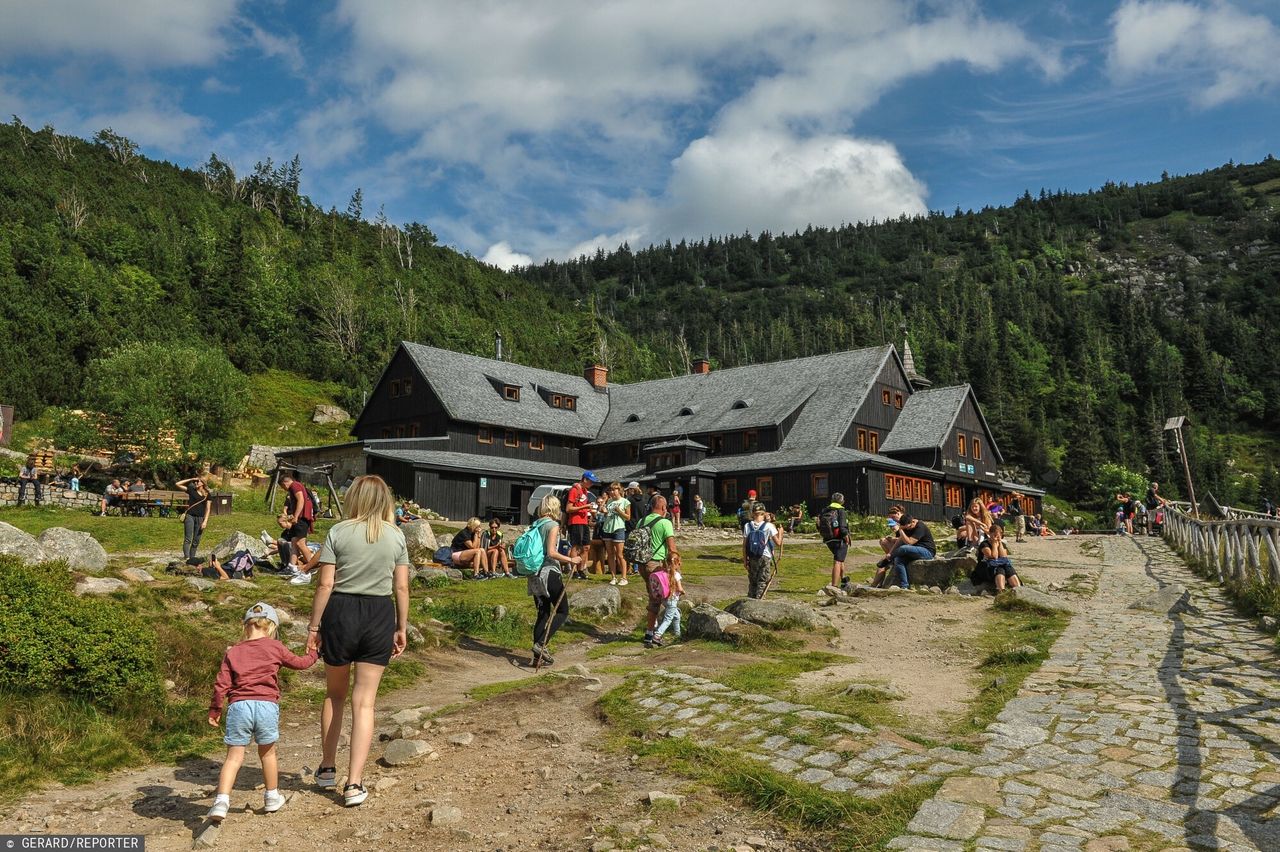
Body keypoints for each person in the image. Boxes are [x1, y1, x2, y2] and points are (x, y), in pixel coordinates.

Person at [306, 475, 411, 808]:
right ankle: (354, 784)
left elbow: (324, 585)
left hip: (341, 612)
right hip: (379, 613)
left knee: (334, 695)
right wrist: (401, 626)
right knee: (364, 702)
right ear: (385, 501)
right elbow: (402, 588)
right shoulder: (396, 536)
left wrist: (313, 627)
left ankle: (326, 768)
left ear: (353, 498)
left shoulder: (337, 531)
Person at [206, 601, 318, 823]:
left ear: (246, 626)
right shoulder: (275, 647)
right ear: (271, 627)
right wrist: (315, 653)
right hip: (267, 705)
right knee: (267, 754)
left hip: (239, 706)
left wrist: (215, 709)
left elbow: (221, 684)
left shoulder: (234, 651)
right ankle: (271, 797)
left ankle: (221, 802)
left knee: (233, 757)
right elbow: (300, 663)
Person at [525, 494, 582, 666]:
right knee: (563, 611)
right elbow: (551, 552)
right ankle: (541, 644)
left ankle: (537, 659)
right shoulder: (553, 525)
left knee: (542, 614)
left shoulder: (535, 524)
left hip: (533, 574)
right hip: (548, 572)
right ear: (555, 507)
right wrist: (571, 560)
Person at [640, 496, 679, 648]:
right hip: (655, 565)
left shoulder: (641, 521)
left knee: (653, 596)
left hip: (642, 565)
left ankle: (654, 631)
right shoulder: (665, 523)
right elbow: (672, 549)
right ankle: (652, 635)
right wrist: (675, 571)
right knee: (659, 599)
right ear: (663, 508)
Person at [742, 503, 781, 599]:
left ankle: (750, 599)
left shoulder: (747, 526)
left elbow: (744, 545)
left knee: (753, 581)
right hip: (765, 556)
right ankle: (760, 600)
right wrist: (780, 532)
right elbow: (778, 543)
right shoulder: (769, 526)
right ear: (763, 514)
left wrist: (745, 560)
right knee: (762, 580)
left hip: (752, 556)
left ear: (753, 514)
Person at [279, 472, 316, 571]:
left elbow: (301, 500)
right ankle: (291, 567)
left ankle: (312, 566)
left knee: (300, 543)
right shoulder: (297, 486)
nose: (284, 489)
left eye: (283, 487)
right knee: (294, 541)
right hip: (300, 517)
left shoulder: (294, 486)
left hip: (302, 518)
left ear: (284, 483)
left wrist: (295, 516)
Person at [565, 471, 599, 577]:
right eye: (590, 482)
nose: (592, 484)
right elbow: (568, 508)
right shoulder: (574, 490)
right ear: (584, 480)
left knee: (586, 547)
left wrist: (592, 512)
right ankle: (574, 571)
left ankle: (581, 569)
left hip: (584, 521)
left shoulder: (584, 491)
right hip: (575, 521)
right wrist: (584, 507)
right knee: (576, 546)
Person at [890, 515, 936, 590]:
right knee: (898, 560)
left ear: (913, 521)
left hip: (927, 551)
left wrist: (901, 530)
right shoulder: (906, 526)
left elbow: (910, 542)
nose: (908, 529)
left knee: (903, 548)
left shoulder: (920, 527)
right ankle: (904, 586)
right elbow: (899, 541)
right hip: (914, 551)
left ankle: (889, 559)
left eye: (909, 527)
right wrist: (890, 552)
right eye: (905, 528)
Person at [819, 493, 851, 589]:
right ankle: (834, 586)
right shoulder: (841, 510)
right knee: (837, 561)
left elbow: (818, 524)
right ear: (842, 501)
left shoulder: (825, 510)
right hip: (839, 538)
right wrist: (846, 535)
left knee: (840, 559)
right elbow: (842, 525)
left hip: (828, 539)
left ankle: (844, 579)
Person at [602, 482, 631, 586]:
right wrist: (604, 511)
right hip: (607, 528)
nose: (612, 492)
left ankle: (624, 577)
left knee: (620, 554)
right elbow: (607, 514)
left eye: (614, 490)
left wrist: (619, 511)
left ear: (619, 490)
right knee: (610, 554)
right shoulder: (609, 501)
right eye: (611, 490)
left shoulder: (625, 502)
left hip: (618, 528)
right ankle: (613, 577)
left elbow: (628, 517)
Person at [176, 476, 210, 560]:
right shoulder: (191, 490)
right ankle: (187, 557)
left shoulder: (207, 494)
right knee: (188, 538)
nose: (196, 482)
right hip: (190, 516)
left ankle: (192, 558)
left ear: (203, 483)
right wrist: (191, 479)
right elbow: (177, 484)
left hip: (200, 518)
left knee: (196, 540)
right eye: (195, 481)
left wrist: (205, 521)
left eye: (198, 481)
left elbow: (208, 509)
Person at [980, 524, 1020, 591]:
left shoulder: (1000, 543)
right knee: (1000, 569)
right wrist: (994, 544)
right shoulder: (984, 544)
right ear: (990, 534)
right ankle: (1001, 590)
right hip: (986, 566)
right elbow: (993, 557)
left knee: (1008, 569)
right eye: (995, 535)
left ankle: (1018, 589)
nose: (997, 537)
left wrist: (1000, 543)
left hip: (998, 564)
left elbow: (1004, 557)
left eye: (999, 535)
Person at [653, 563, 684, 644]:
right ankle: (657, 635)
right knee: (668, 619)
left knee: (676, 616)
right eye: (679, 563)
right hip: (672, 599)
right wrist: (683, 592)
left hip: (664, 598)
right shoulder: (676, 574)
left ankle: (678, 634)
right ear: (676, 564)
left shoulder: (664, 573)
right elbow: (680, 589)